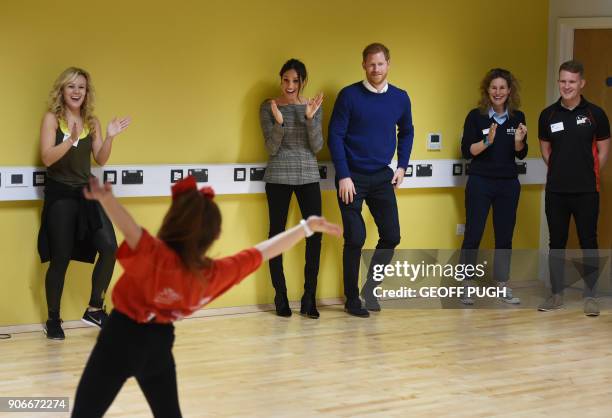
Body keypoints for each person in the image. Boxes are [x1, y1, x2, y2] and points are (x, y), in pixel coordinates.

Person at [71, 176, 341, 417]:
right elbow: (264, 251)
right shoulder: (211, 275)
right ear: (214, 235)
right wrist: (306, 227)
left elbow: (131, 230)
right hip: (158, 345)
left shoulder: (156, 257)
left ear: (171, 221)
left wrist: (106, 198)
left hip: (119, 339)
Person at [37, 67, 131, 340]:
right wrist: (71, 141)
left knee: (110, 247)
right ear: (62, 91)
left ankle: (95, 308)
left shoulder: (92, 120)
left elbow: (100, 159)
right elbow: (46, 157)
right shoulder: (51, 119)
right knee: (61, 258)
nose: (77, 91)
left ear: (86, 92)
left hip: (86, 192)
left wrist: (110, 135)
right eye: (71, 87)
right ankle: (53, 319)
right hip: (60, 195)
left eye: (81, 87)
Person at [328, 42, 414, 317]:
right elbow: (335, 136)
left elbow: (407, 131)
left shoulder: (400, 98)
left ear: (388, 64)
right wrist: (343, 175)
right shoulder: (349, 96)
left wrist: (402, 166)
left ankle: (370, 289)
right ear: (363, 65)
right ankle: (352, 298)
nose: (376, 69)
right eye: (371, 64)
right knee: (356, 237)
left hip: (381, 177)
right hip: (351, 177)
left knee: (392, 235)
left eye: (380, 63)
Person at [537, 60, 610, 316]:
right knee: (556, 242)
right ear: (559, 82)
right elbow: (546, 150)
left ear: (581, 83)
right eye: (563, 81)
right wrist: (560, 170)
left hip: (587, 190)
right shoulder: (548, 115)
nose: (566, 86)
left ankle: (591, 296)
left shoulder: (595, 114)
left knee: (588, 241)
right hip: (556, 190)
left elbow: (603, 151)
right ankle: (556, 295)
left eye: (571, 81)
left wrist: (585, 173)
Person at [259, 58, 324, 318]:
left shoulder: (313, 106)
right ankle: (281, 296)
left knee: (314, 236)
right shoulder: (269, 106)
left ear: (302, 81)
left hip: (308, 173)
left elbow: (317, 146)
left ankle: (310, 298)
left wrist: (309, 118)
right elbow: (272, 148)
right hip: (278, 175)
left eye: (295, 81)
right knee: (277, 235)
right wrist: (279, 123)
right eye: (286, 80)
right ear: (281, 79)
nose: (290, 85)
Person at [459, 68, 528, 305]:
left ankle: (502, 284)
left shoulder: (517, 117)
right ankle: (466, 285)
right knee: (473, 234)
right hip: (480, 181)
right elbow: (467, 151)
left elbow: (521, 153)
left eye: (502, 88)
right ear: (487, 91)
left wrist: (519, 142)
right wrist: (488, 141)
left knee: (504, 236)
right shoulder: (475, 117)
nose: (497, 92)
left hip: (508, 184)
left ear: (509, 91)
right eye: (493, 88)